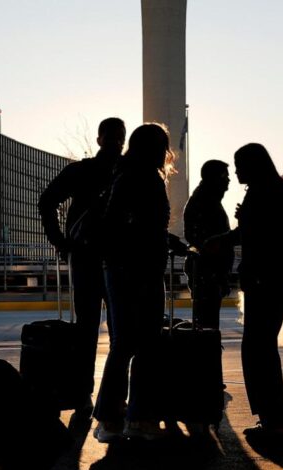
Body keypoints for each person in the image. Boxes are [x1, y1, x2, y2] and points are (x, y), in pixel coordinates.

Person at [208, 143, 283, 440]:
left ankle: (273, 421)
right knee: (264, 348)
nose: (236, 171)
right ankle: (277, 412)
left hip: (264, 280)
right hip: (275, 280)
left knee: (257, 349)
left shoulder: (264, 194)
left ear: (253, 165)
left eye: (240, 164)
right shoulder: (280, 191)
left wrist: (230, 233)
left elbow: (260, 236)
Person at [38, 117, 126, 422]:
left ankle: (83, 393)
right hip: (114, 258)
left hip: (87, 257)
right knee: (117, 332)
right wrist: (60, 242)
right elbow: (47, 201)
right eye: (114, 136)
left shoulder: (81, 170)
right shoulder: (124, 171)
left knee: (88, 329)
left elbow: (47, 201)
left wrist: (60, 241)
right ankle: (112, 397)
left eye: (118, 137)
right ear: (102, 139)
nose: (116, 142)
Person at [92, 123, 173, 442]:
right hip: (135, 269)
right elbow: (117, 225)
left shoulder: (128, 173)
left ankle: (117, 418)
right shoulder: (139, 176)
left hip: (127, 268)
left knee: (130, 345)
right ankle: (125, 418)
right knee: (137, 345)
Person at [183, 160, 234, 329]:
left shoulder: (206, 200)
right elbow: (207, 244)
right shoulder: (206, 203)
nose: (229, 180)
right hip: (207, 275)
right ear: (215, 178)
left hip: (208, 274)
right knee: (207, 328)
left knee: (206, 326)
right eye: (225, 176)